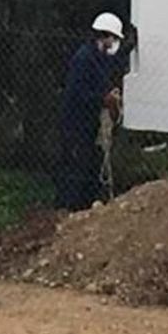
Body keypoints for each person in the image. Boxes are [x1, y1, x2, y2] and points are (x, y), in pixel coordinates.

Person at [57, 12, 134, 211]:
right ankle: (71, 207)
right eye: (113, 38)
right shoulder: (84, 59)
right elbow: (78, 93)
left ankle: (84, 205)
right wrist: (103, 99)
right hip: (76, 122)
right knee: (78, 165)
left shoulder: (96, 56)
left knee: (90, 162)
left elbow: (112, 65)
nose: (113, 43)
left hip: (87, 122)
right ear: (104, 36)